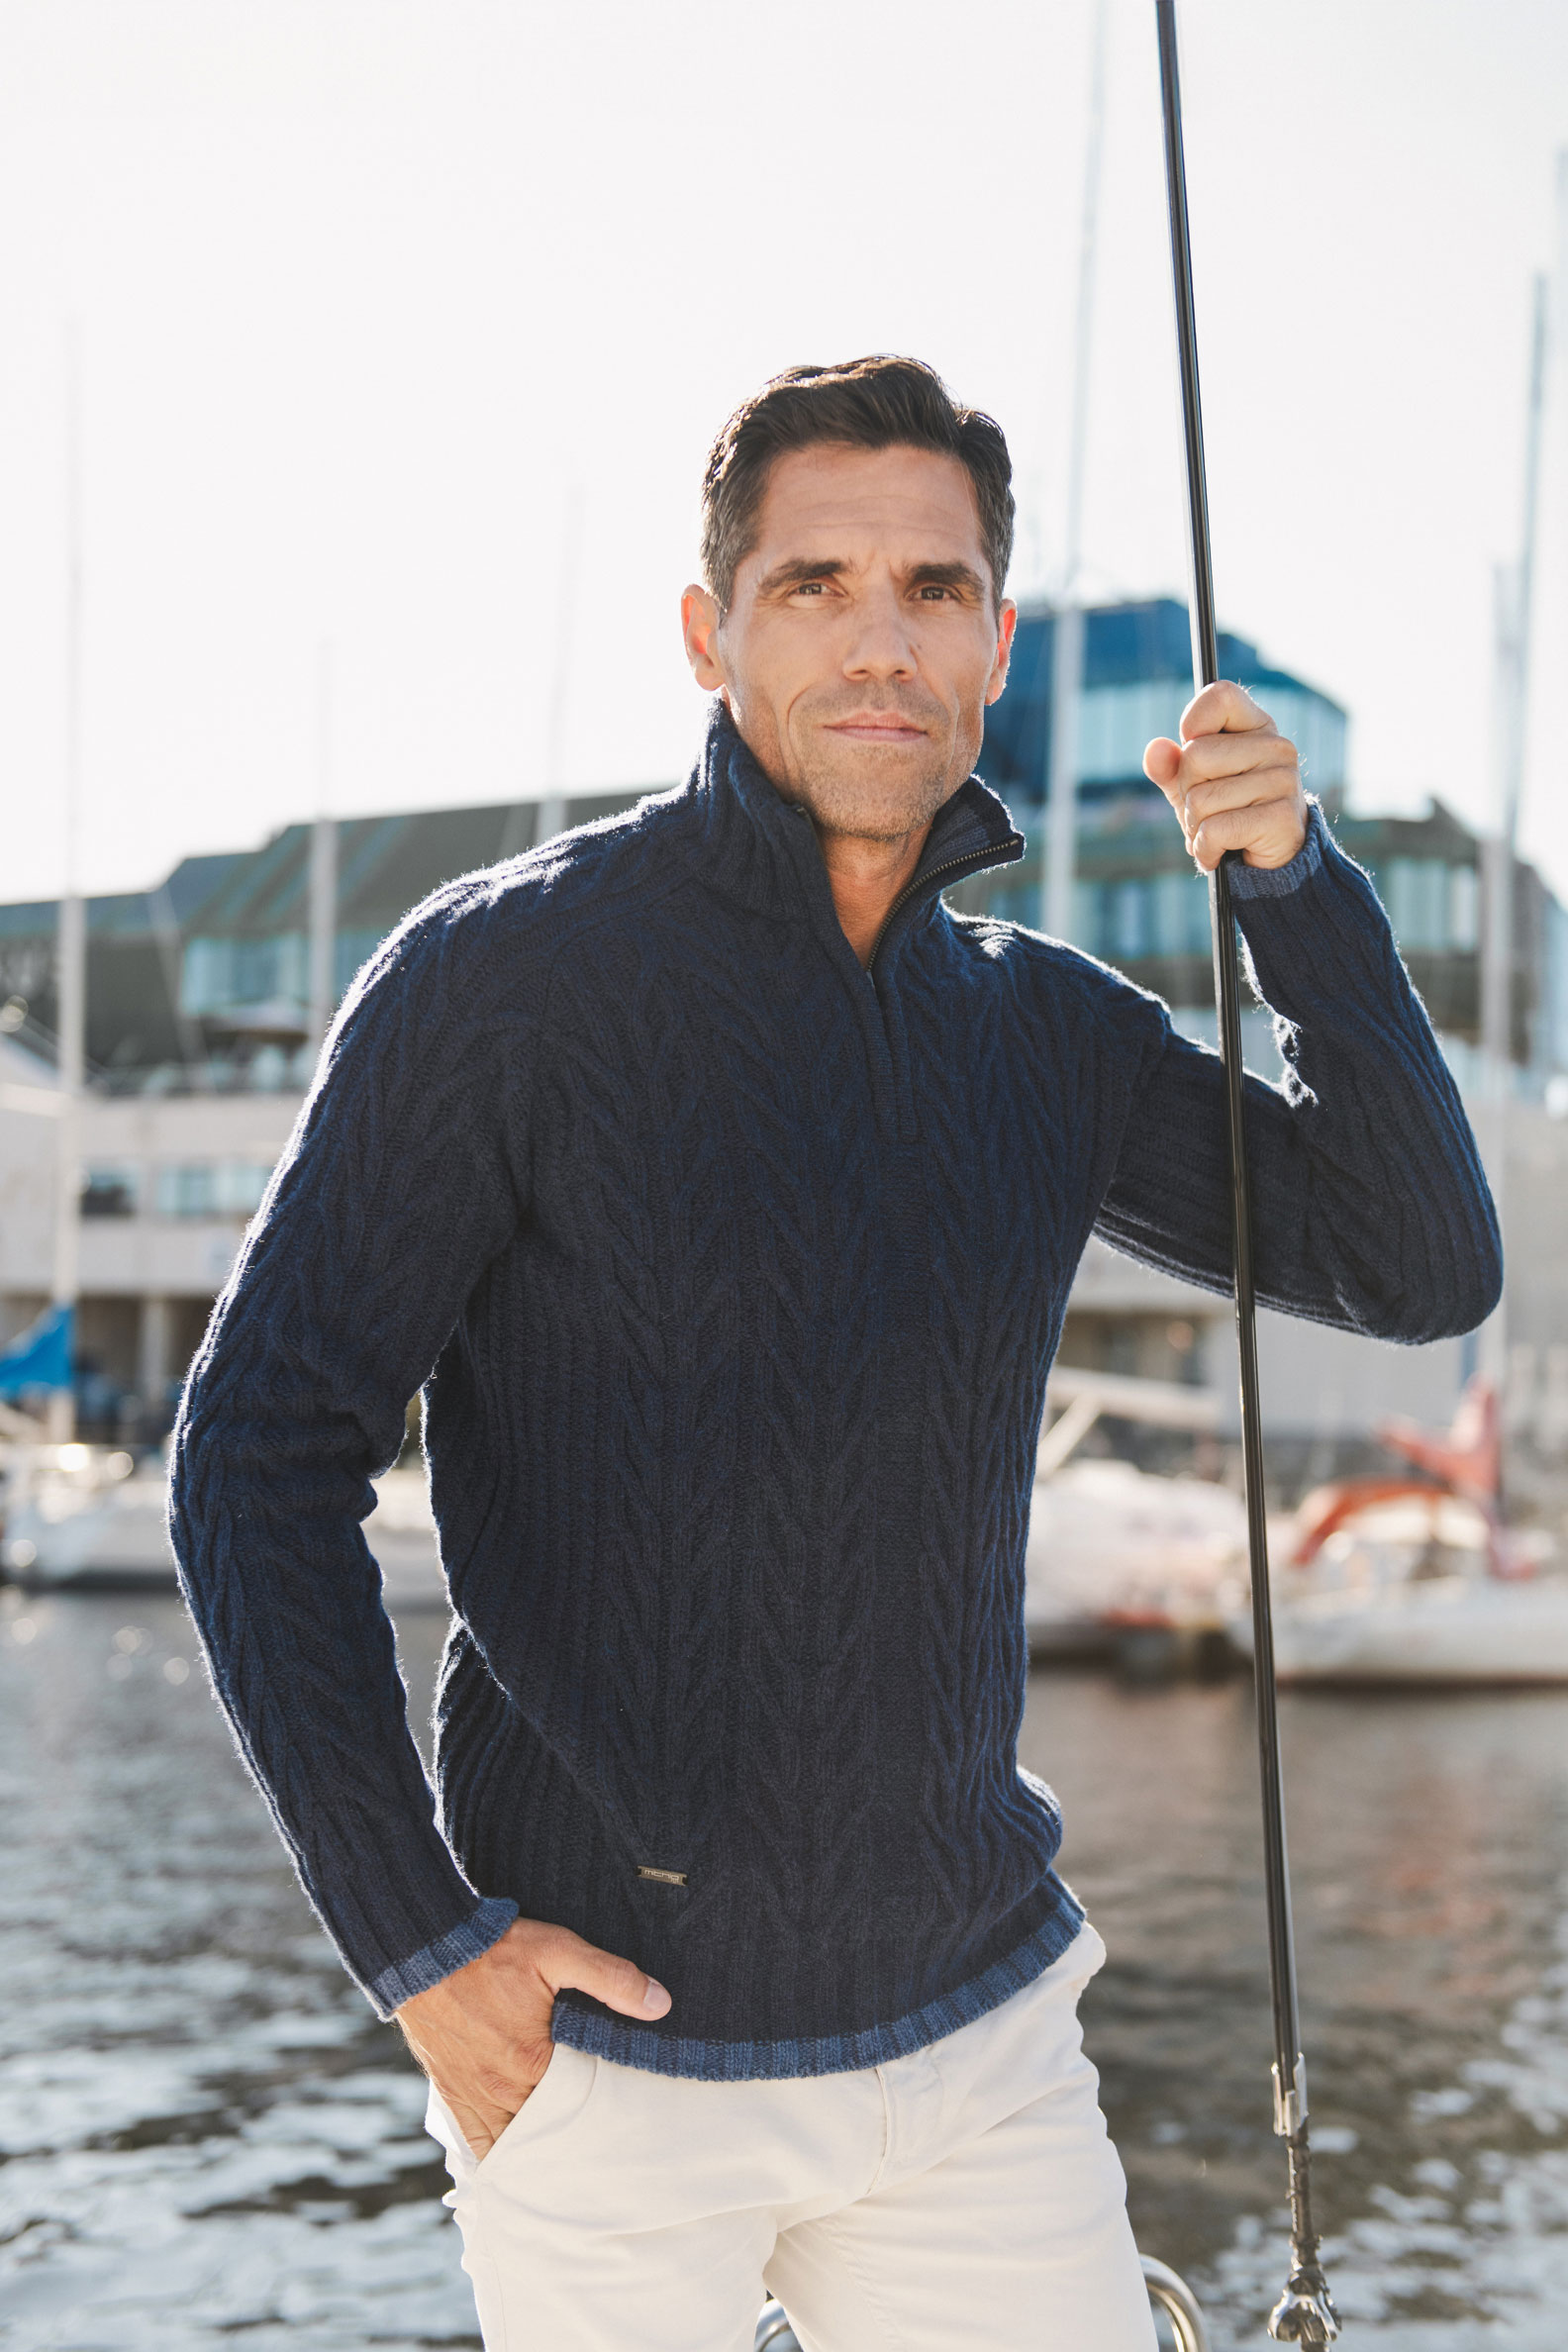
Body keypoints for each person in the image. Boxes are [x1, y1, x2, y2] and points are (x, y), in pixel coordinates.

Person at [171, 354, 1500, 2351]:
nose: (883, 642)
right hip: (603, 2070)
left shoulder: (1048, 1033)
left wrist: (1299, 900)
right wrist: (418, 1949)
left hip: (981, 2051)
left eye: (934, 589)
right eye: (814, 585)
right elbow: (253, 1459)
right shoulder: (499, 983)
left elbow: (1418, 1264)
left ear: (997, 648)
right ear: (710, 633)